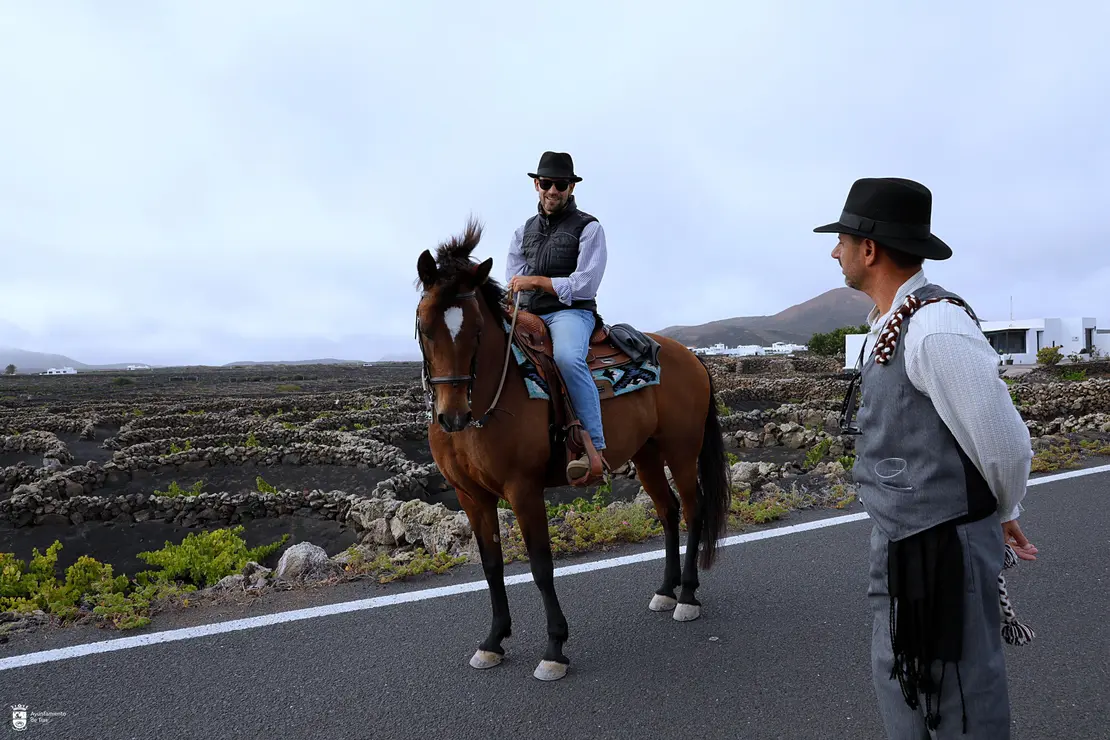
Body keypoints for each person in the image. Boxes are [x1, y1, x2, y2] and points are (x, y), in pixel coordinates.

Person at [815, 177, 1038, 738]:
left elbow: (1004, 442)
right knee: (904, 680)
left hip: (945, 547)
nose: (833, 251)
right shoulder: (888, 324)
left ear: (869, 250)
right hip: (900, 540)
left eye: (841, 240)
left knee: (961, 698)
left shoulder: (935, 327)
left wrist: (1002, 509)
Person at [505, 151, 607, 483]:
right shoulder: (523, 232)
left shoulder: (589, 228)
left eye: (560, 185)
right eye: (546, 183)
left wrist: (537, 282)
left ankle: (594, 447)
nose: (553, 191)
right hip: (529, 314)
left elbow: (586, 283)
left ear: (570, 187)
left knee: (566, 357)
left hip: (571, 313)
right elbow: (513, 279)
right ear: (537, 185)